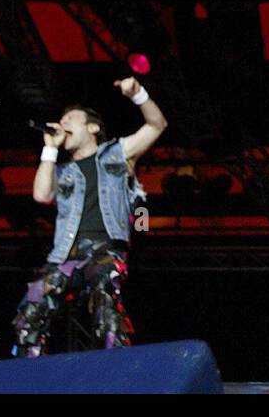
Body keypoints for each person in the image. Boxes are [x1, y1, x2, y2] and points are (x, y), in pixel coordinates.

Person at [11, 77, 167, 356]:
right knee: (29, 311)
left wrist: (139, 94)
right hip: (64, 256)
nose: (64, 122)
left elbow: (157, 125)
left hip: (104, 251)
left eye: (71, 118)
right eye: (62, 119)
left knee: (105, 303)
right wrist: (50, 148)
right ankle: (31, 378)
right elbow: (41, 195)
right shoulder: (62, 170)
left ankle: (118, 371)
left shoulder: (117, 154)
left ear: (93, 127)